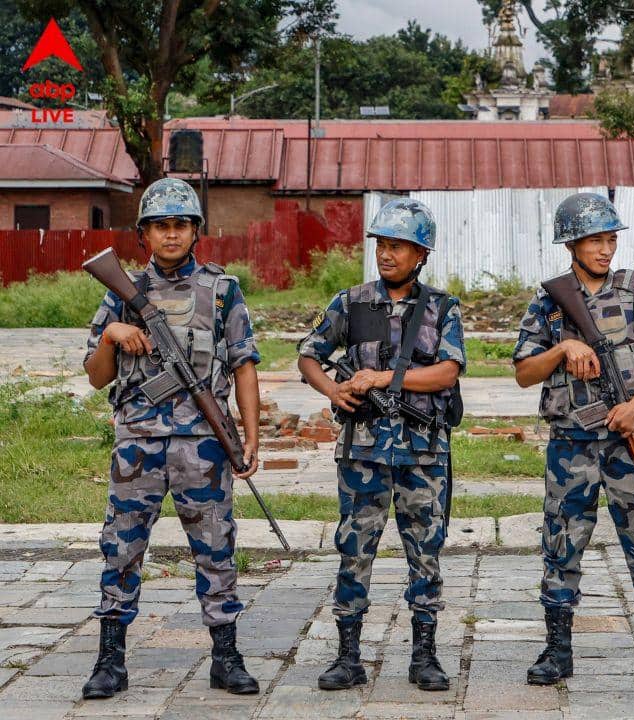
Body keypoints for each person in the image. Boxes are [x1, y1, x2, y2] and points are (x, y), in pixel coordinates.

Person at [513, 192, 634, 687]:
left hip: (626, 440)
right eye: (595, 240)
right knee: (562, 543)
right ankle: (557, 650)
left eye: (610, 239)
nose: (605, 249)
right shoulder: (549, 300)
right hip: (571, 444)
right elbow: (523, 372)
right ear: (571, 244)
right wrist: (563, 347)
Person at [82, 178, 261, 699]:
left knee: (215, 548)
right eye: (160, 225)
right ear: (144, 234)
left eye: (181, 224)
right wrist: (113, 336)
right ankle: (109, 661)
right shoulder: (120, 294)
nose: (171, 234)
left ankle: (226, 658)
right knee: (121, 548)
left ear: (196, 231)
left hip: (203, 445)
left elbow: (245, 365)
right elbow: (96, 377)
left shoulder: (222, 290)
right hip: (137, 443)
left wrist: (249, 438)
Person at [297, 198, 464, 692]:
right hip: (363, 453)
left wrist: (385, 377)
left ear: (421, 254)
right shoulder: (351, 302)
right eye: (382, 245)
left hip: (423, 455)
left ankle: (425, 657)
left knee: (426, 554)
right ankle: (348, 656)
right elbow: (309, 355)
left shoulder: (442, 307)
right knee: (354, 551)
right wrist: (335, 389)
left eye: (398, 246)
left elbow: (447, 373)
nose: (387, 254)